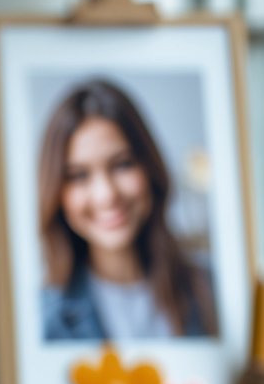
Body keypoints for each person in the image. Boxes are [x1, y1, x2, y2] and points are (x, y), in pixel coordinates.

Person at [37, 78, 218, 341]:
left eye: (122, 165)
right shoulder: (44, 321)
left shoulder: (214, 290)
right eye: (78, 176)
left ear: (149, 168)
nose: (106, 195)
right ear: (57, 192)